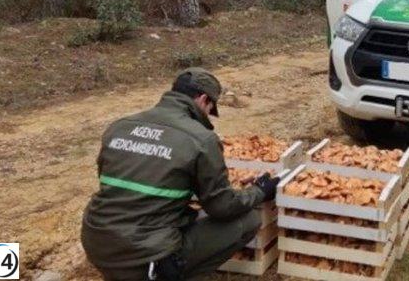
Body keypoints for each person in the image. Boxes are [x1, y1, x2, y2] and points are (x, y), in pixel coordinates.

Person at [81, 68, 279, 281]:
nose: (207, 116)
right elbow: (221, 207)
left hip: (96, 243)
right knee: (248, 220)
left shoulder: (119, 127)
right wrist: (258, 191)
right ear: (203, 99)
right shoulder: (201, 139)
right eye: (210, 109)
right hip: (144, 254)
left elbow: (120, 182)